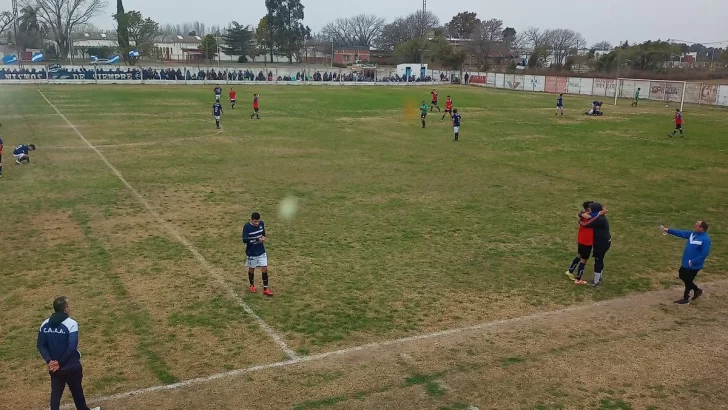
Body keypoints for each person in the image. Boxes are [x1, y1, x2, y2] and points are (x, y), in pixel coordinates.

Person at [37, 296, 100, 410]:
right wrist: (59, 363)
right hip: (71, 366)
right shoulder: (71, 324)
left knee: (55, 395)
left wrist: (50, 361)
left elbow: (41, 345)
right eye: (68, 305)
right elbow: (72, 347)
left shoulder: (44, 324)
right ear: (65, 309)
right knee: (77, 391)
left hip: (55, 368)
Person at [662, 221, 711, 304]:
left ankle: (686, 298)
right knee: (682, 275)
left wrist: (693, 262)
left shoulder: (706, 239)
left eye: (696, 225)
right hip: (686, 263)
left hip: (694, 265)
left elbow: (704, 254)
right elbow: (681, 233)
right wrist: (669, 230)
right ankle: (697, 290)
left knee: (688, 280)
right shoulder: (693, 234)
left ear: (701, 228)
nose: (694, 226)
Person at [578, 203, 610, 287]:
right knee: (600, 259)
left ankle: (596, 282)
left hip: (601, 243)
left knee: (598, 261)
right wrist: (581, 214)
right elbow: (592, 214)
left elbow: (586, 224)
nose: (589, 210)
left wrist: (580, 220)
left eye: (590, 209)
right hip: (605, 241)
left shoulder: (598, 219)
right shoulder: (599, 216)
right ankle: (599, 277)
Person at [566, 201, 596, 284]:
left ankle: (570, 271)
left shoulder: (584, 215)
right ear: (589, 208)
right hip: (587, 242)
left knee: (579, 255)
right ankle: (578, 279)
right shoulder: (591, 217)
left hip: (581, 240)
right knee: (583, 260)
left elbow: (581, 215)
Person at [242, 212, 272, 296]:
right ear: (251, 220)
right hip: (251, 252)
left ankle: (266, 288)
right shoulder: (247, 227)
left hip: (261, 251)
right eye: (255, 221)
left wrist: (263, 238)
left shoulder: (261, 224)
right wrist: (256, 238)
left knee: (264, 268)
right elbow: (244, 240)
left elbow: (263, 234)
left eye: (258, 221)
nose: (257, 223)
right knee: (252, 269)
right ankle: (252, 285)